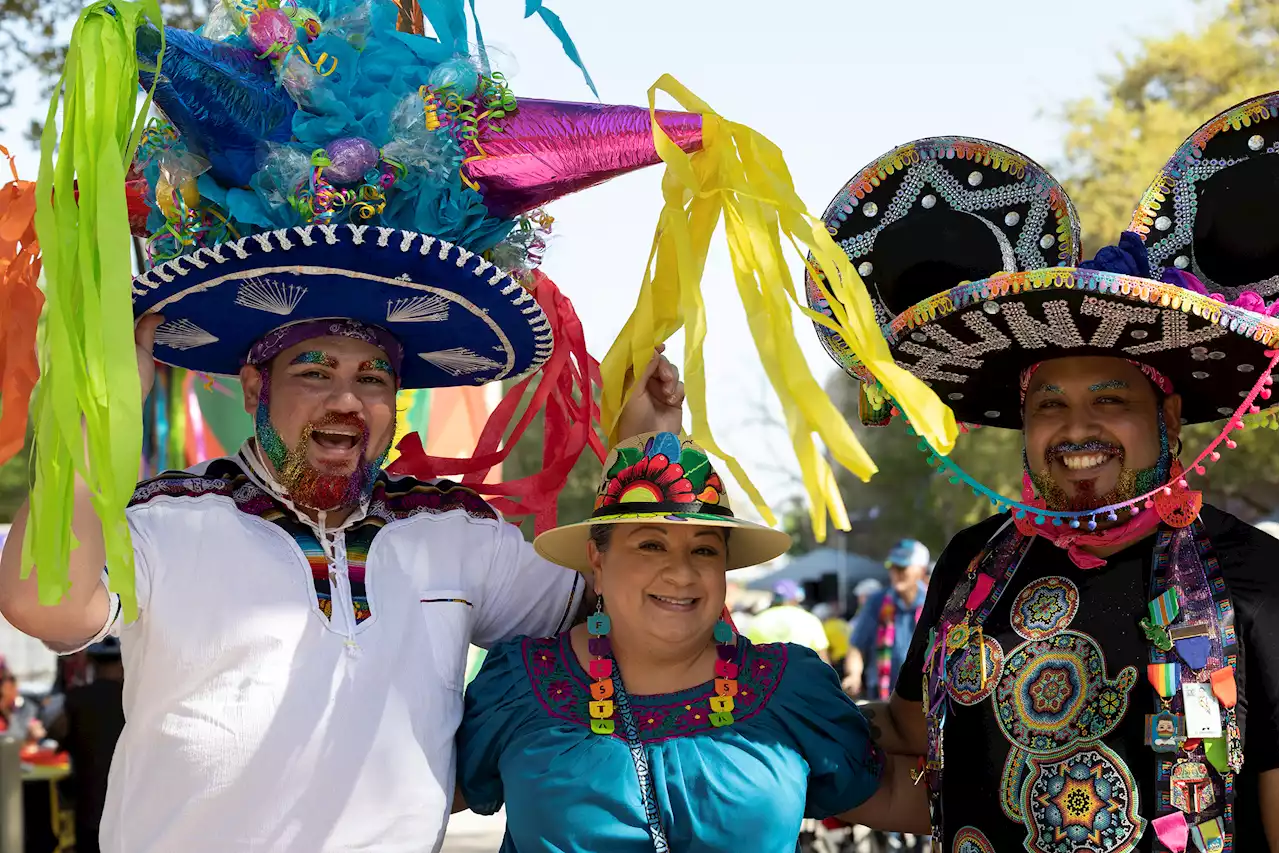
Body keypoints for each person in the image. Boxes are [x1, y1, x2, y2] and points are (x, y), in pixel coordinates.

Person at [0, 2, 716, 850]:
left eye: (374, 376)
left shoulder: (452, 533)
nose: (350, 398)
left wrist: (643, 446)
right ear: (255, 384)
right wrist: (98, 406)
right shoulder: (170, 519)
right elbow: (45, 605)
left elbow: (631, 616)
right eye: (316, 371)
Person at [806, 115, 1280, 849]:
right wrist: (775, 716)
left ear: (1170, 413)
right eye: (1048, 403)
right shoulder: (972, 564)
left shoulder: (1254, 576)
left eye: (1110, 399)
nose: (1076, 427)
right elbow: (928, 780)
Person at [455, 432, 930, 851]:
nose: (681, 573)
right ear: (597, 562)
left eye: (704, 549)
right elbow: (416, 792)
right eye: (650, 544)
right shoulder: (520, 684)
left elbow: (891, 791)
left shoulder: (789, 687)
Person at [53, 638, 126, 853]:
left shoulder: (76, 700)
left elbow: (57, 735)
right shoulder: (138, 701)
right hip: (129, 810)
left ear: (92, 664)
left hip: (90, 810)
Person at [843, 540, 929, 700]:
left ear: (921, 571)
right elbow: (857, 646)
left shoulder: (934, 602)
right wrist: (853, 675)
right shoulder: (876, 602)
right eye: (893, 567)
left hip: (922, 696)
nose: (896, 573)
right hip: (883, 696)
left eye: (902, 568)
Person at [746, 579, 831, 661]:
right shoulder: (809, 619)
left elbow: (751, 654)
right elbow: (822, 657)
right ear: (796, 597)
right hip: (803, 673)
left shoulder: (758, 620)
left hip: (768, 673)